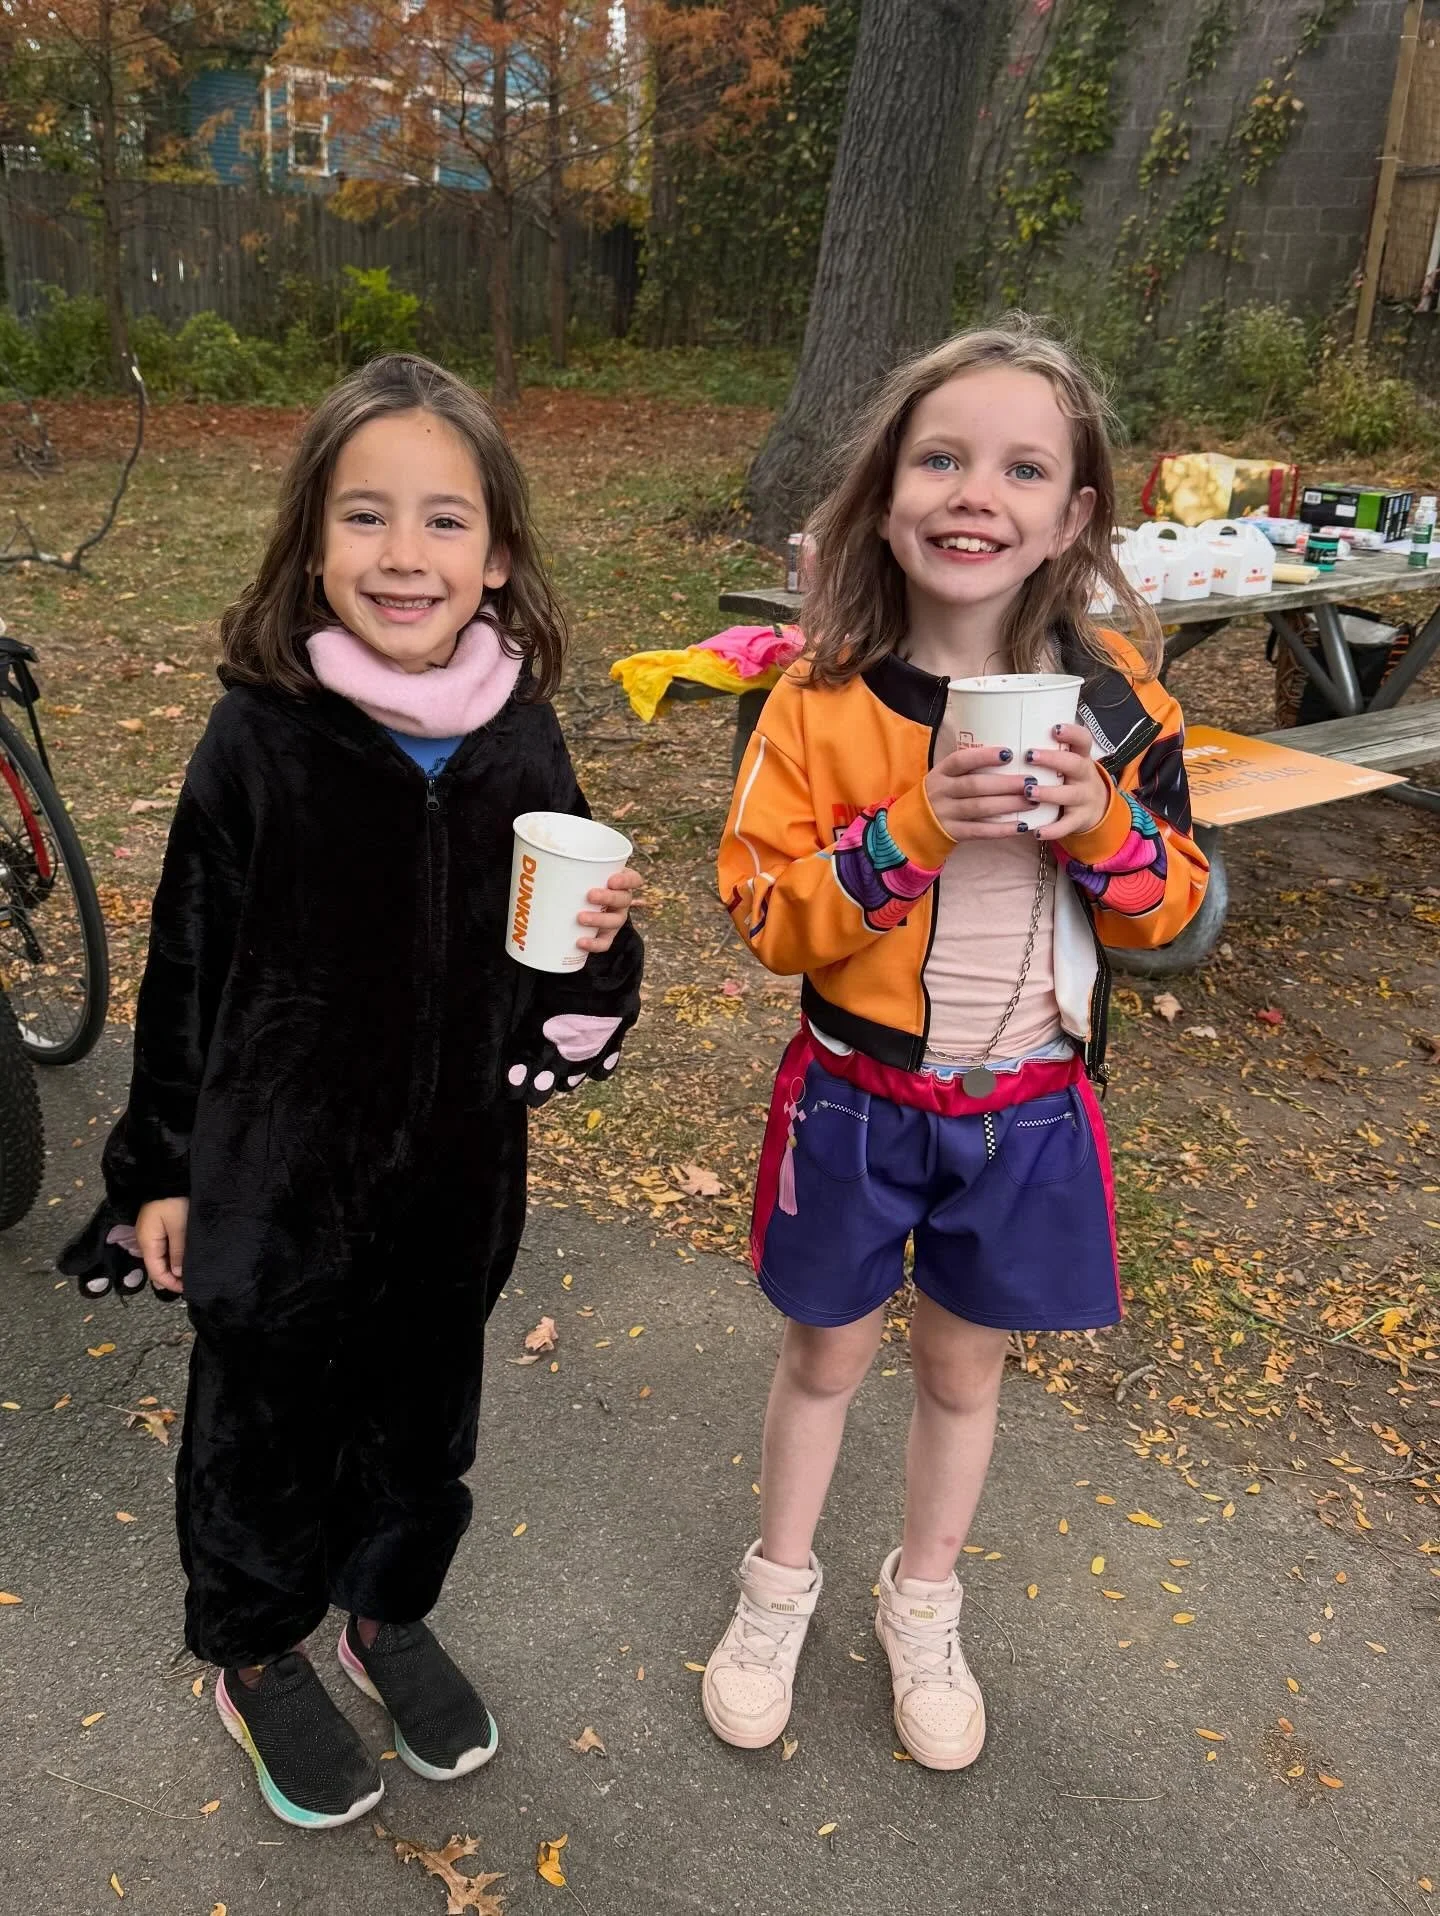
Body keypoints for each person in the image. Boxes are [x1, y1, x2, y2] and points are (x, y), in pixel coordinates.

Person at [60, 354, 643, 1828]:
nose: (404, 555)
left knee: (420, 1422)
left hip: (453, 1176)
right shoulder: (262, 735)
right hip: (277, 1177)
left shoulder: (520, 729)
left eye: (445, 522)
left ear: (498, 551)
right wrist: (159, 1172)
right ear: (313, 542)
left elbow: (550, 953)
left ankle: (386, 1609)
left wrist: (597, 960)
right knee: (263, 1427)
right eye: (365, 516)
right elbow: (186, 961)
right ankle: (257, 1648)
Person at [707, 318, 1207, 1770]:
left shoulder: (1120, 712)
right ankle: (775, 1588)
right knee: (823, 1358)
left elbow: (1173, 905)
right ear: (885, 491)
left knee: (963, 1373)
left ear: (1072, 516)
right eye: (941, 457)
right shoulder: (816, 700)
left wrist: (1104, 826)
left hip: (1030, 1112)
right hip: (857, 1101)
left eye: (1021, 467)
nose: (974, 491)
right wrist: (915, 826)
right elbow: (765, 913)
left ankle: (923, 1598)